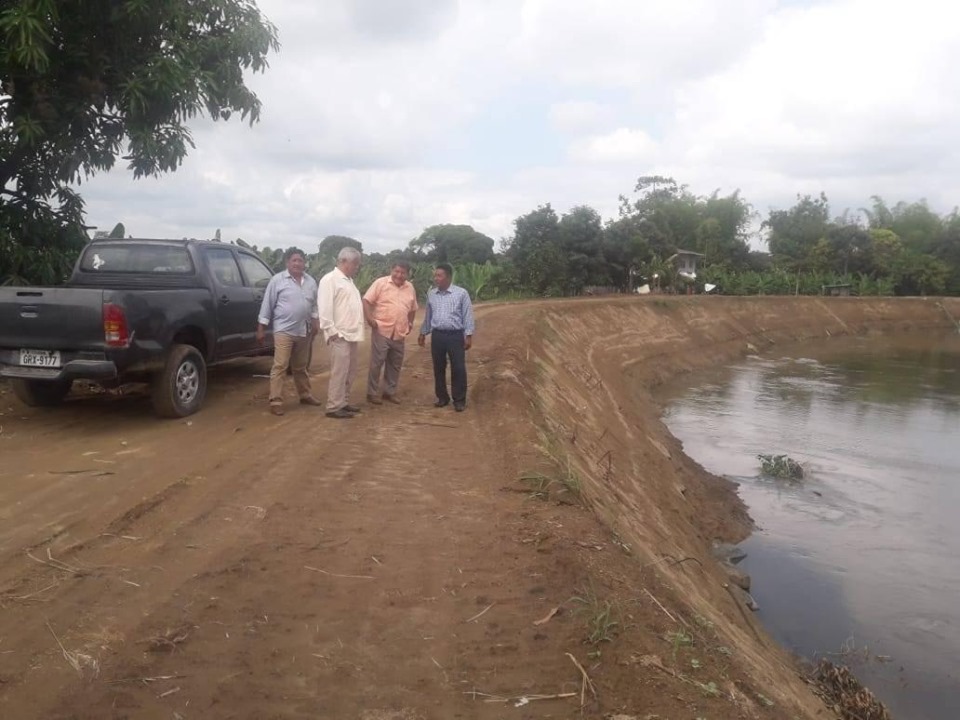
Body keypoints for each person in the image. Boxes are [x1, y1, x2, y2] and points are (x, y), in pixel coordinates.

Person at [256, 247, 322, 416]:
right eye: (294, 260)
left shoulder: (310, 282)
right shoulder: (277, 280)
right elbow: (267, 304)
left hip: (304, 330)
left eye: (300, 260)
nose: (297, 263)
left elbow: (314, 304)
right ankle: (276, 400)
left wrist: (315, 321)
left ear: (304, 263)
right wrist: (261, 328)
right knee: (280, 366)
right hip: (284, 330)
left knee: (300, 366)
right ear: (287, 262)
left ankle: (305, 395)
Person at [418, 263, 475, 412]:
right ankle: (442, 397)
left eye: (439, 275)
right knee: (438, 367)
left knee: (458, 367)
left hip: (455, 336)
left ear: (448, 277)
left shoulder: (461, 293)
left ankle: (459, 400)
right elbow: (428, 316)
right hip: (437, 335)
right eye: (435, 276)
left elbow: (467, 315)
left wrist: (468, 335)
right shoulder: (432, 294)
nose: (436, 278)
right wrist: (423, 333)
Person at [317, 246, 365, 419]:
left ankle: (343, 402)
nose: (357, 267)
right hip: (339, 335)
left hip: (352, 334)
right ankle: (333, 406)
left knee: (349, 371)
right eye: (355, 264)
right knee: (339, 372)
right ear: (344, 261)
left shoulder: (348, 281)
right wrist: (332, 332)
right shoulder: (330, 280)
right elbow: (324, 309)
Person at [363, 260, 419, 405]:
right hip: (381, 329)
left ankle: (389, 392)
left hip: (399, 332)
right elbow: (367, 300)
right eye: (397, 271)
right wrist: (369, 318)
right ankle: (372, 393)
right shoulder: (380, 283)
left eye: (403, 273)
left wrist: (410, 323)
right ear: (391, 270)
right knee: (377, 363)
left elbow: (413, 308)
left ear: (407, 274)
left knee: (395, 364)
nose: (399, 275)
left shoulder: (410, 287)